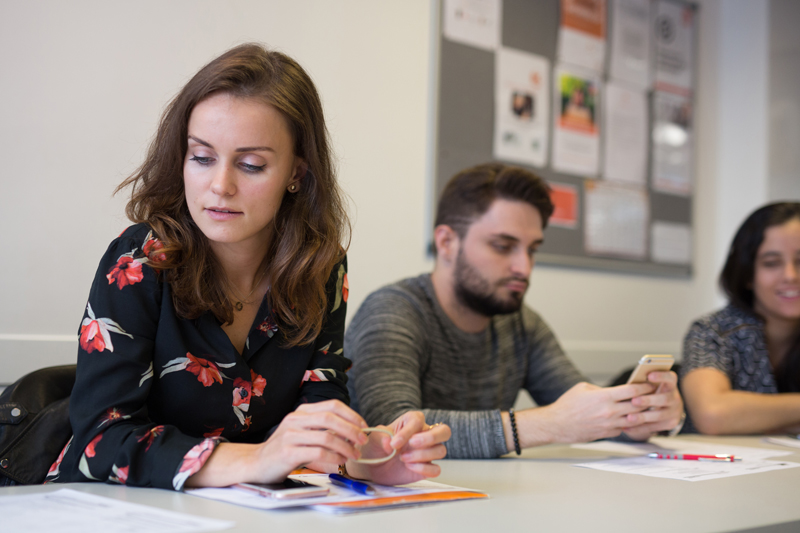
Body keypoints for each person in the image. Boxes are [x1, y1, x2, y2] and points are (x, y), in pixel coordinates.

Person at [45, 43, 449, 490]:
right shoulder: (140, 260)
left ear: (297, 173)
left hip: (241, 513)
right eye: (201, 157)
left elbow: (315, 413)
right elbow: (100, 442)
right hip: (105, 508)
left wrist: (364, 457)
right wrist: (257, 459)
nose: (220, 186)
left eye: (251, 164)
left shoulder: (320, 265)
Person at [345, 163, 684, 459]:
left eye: (532, 250)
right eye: (503, 246)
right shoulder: (391, 311)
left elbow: (584, 412)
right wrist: (549, 424)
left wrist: (641, 419)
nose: (524, 267)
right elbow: (394, 432)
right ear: (447, 242)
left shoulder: (521, 324)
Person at [680, 202, 800, 434]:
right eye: (771, 263)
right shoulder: (713, 331)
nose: (790, 276)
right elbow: (713, 414)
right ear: (747, 275)